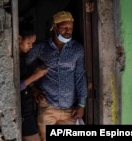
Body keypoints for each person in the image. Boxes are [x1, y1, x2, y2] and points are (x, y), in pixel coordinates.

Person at [26, 11, 88, 141]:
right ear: (54, 27)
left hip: (70, 110)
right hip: (47, 106)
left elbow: (80, 76)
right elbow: (23, 63)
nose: (68, 31)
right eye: (64, 27)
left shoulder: (77, 49)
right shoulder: (41, 47)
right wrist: (32, 86)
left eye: (70, 28)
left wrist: (81, 104)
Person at [19, 19, 48, 141]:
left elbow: (24, 81)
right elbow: (15, 87)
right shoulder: (11, 59)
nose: (31, 47)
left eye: (33, 44)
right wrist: (35, 77)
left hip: (27, 108)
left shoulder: (22, 58)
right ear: (19, 38)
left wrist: (33, 88)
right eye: (29, 43)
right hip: (22, 111)